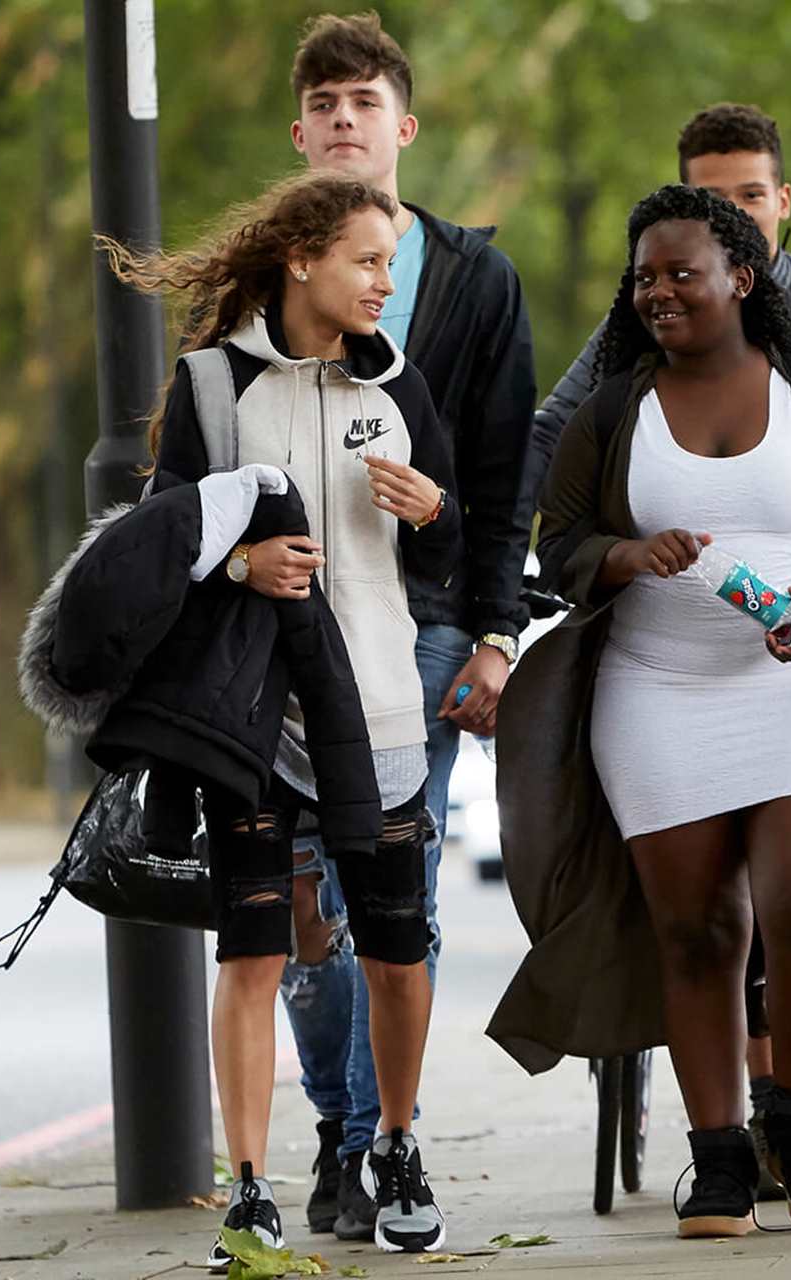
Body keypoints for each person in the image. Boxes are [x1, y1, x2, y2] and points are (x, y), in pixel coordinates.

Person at [493, 185, 791, 1237]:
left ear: (742, 277)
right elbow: (565, 539)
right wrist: (625, 555)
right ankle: (719, 1158)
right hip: (659, 689)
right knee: (698, 929)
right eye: (644, 278)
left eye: (681, 272)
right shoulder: (614, 408)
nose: (659, 292)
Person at [102, 171, 462, 1258]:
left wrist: (435, 509)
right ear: (301, 258)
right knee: (253, 951)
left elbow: (444, 559)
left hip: (386, 706)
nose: (383, 283)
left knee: (399, 946)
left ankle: (396, 1141)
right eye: (366, 259)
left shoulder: (401, 389)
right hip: (258, 722)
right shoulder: (213, 388)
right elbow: (166, 541)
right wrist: (243, 559)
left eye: (391, 263)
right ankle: (252, 1186)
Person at [276, 12, 538, 1244]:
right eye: (323, 101)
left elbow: (501, 470)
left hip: (425, 628)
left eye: (363, 100)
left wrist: (495, 631)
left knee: (392, 885)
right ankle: (342, 1129)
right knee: (305, 900)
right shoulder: (257, 280)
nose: (343, 118)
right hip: (284, 635)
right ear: (299, 132)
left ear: (403, 127)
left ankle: (387, 1136)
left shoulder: (477, 281)